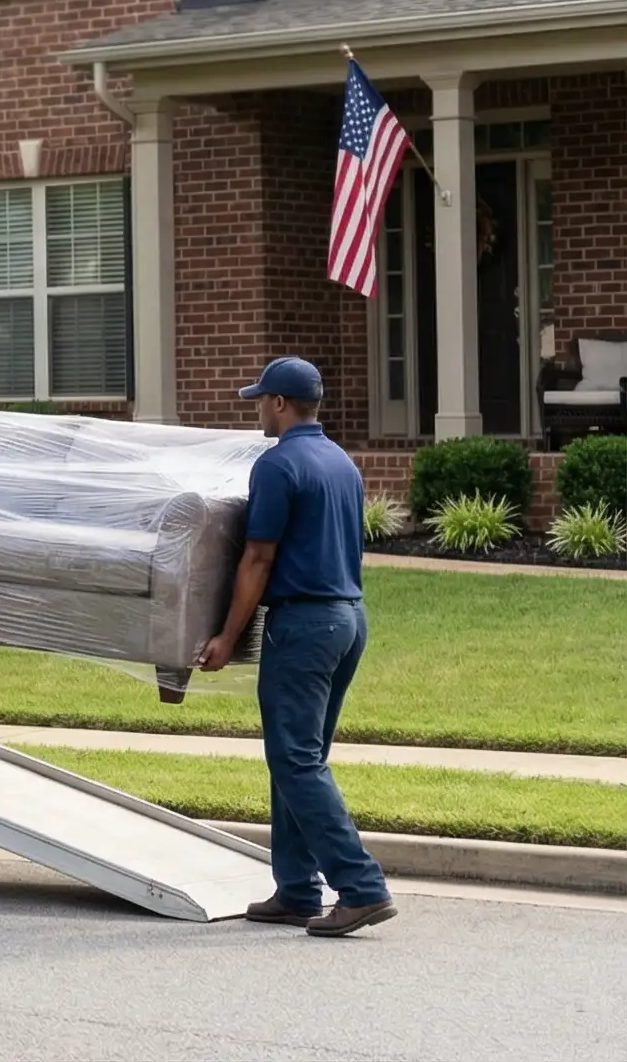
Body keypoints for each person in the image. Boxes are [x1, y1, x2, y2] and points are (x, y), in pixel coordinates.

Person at [199, 357, 396, 937]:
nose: (258, 408)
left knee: (295, 758)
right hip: (348, 618)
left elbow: (257, 557)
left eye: (262, 399)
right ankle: (296, 889)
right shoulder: (341, 463)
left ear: (281, 404)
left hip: (305, 625)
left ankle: (361, 887)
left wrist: (226, 637)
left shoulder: (279, 464)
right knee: (300, 756)